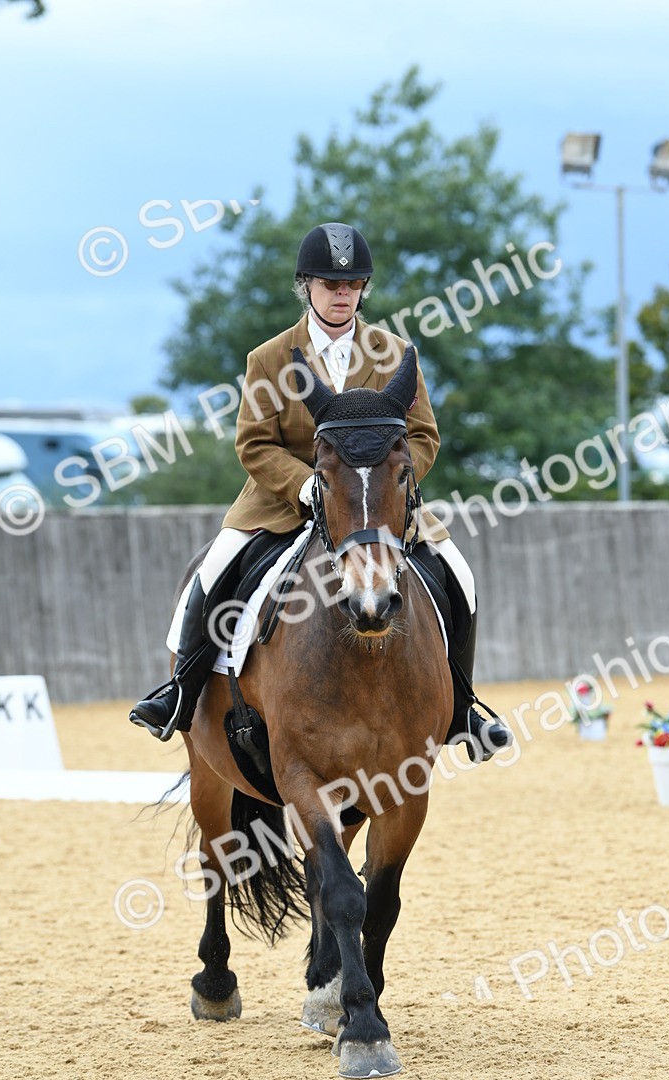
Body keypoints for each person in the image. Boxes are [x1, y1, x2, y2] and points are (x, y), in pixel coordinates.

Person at [130, 222, 510, 760]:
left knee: (461, 577)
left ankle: (463, 711)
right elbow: (254, 443)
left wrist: (395, 485)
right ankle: (180, 693)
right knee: (213, 571)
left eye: (352, 285)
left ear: (363, 290)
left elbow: (424, 436)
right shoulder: (269, 358)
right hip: (285, 502)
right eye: (330, 285)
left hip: (377, 505)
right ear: (305, 286)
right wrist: (304, 486)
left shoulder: (395, 355)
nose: (342, 294)